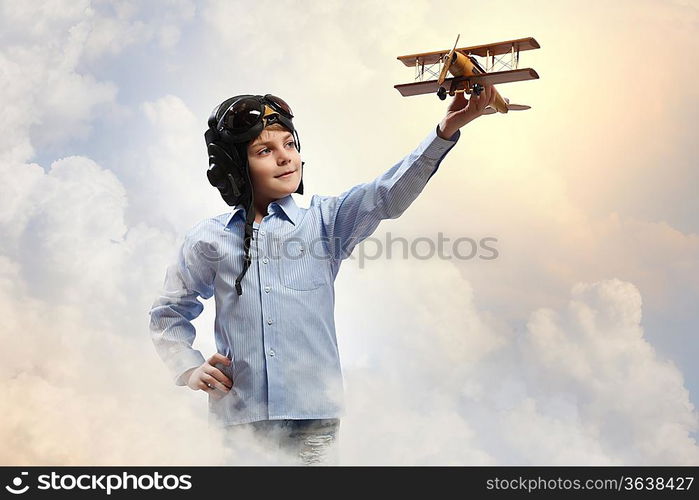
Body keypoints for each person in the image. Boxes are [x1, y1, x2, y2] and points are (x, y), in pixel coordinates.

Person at [148, 86, 497, 465]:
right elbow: (169, 310)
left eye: (289, 145)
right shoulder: (207, 238)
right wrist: (187, 366)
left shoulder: (325, 223)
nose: (285, 158)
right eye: (265, 151)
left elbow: (385, 196)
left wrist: (444, 131)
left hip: (313, 423)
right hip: (239, 422)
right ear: (233, 167)